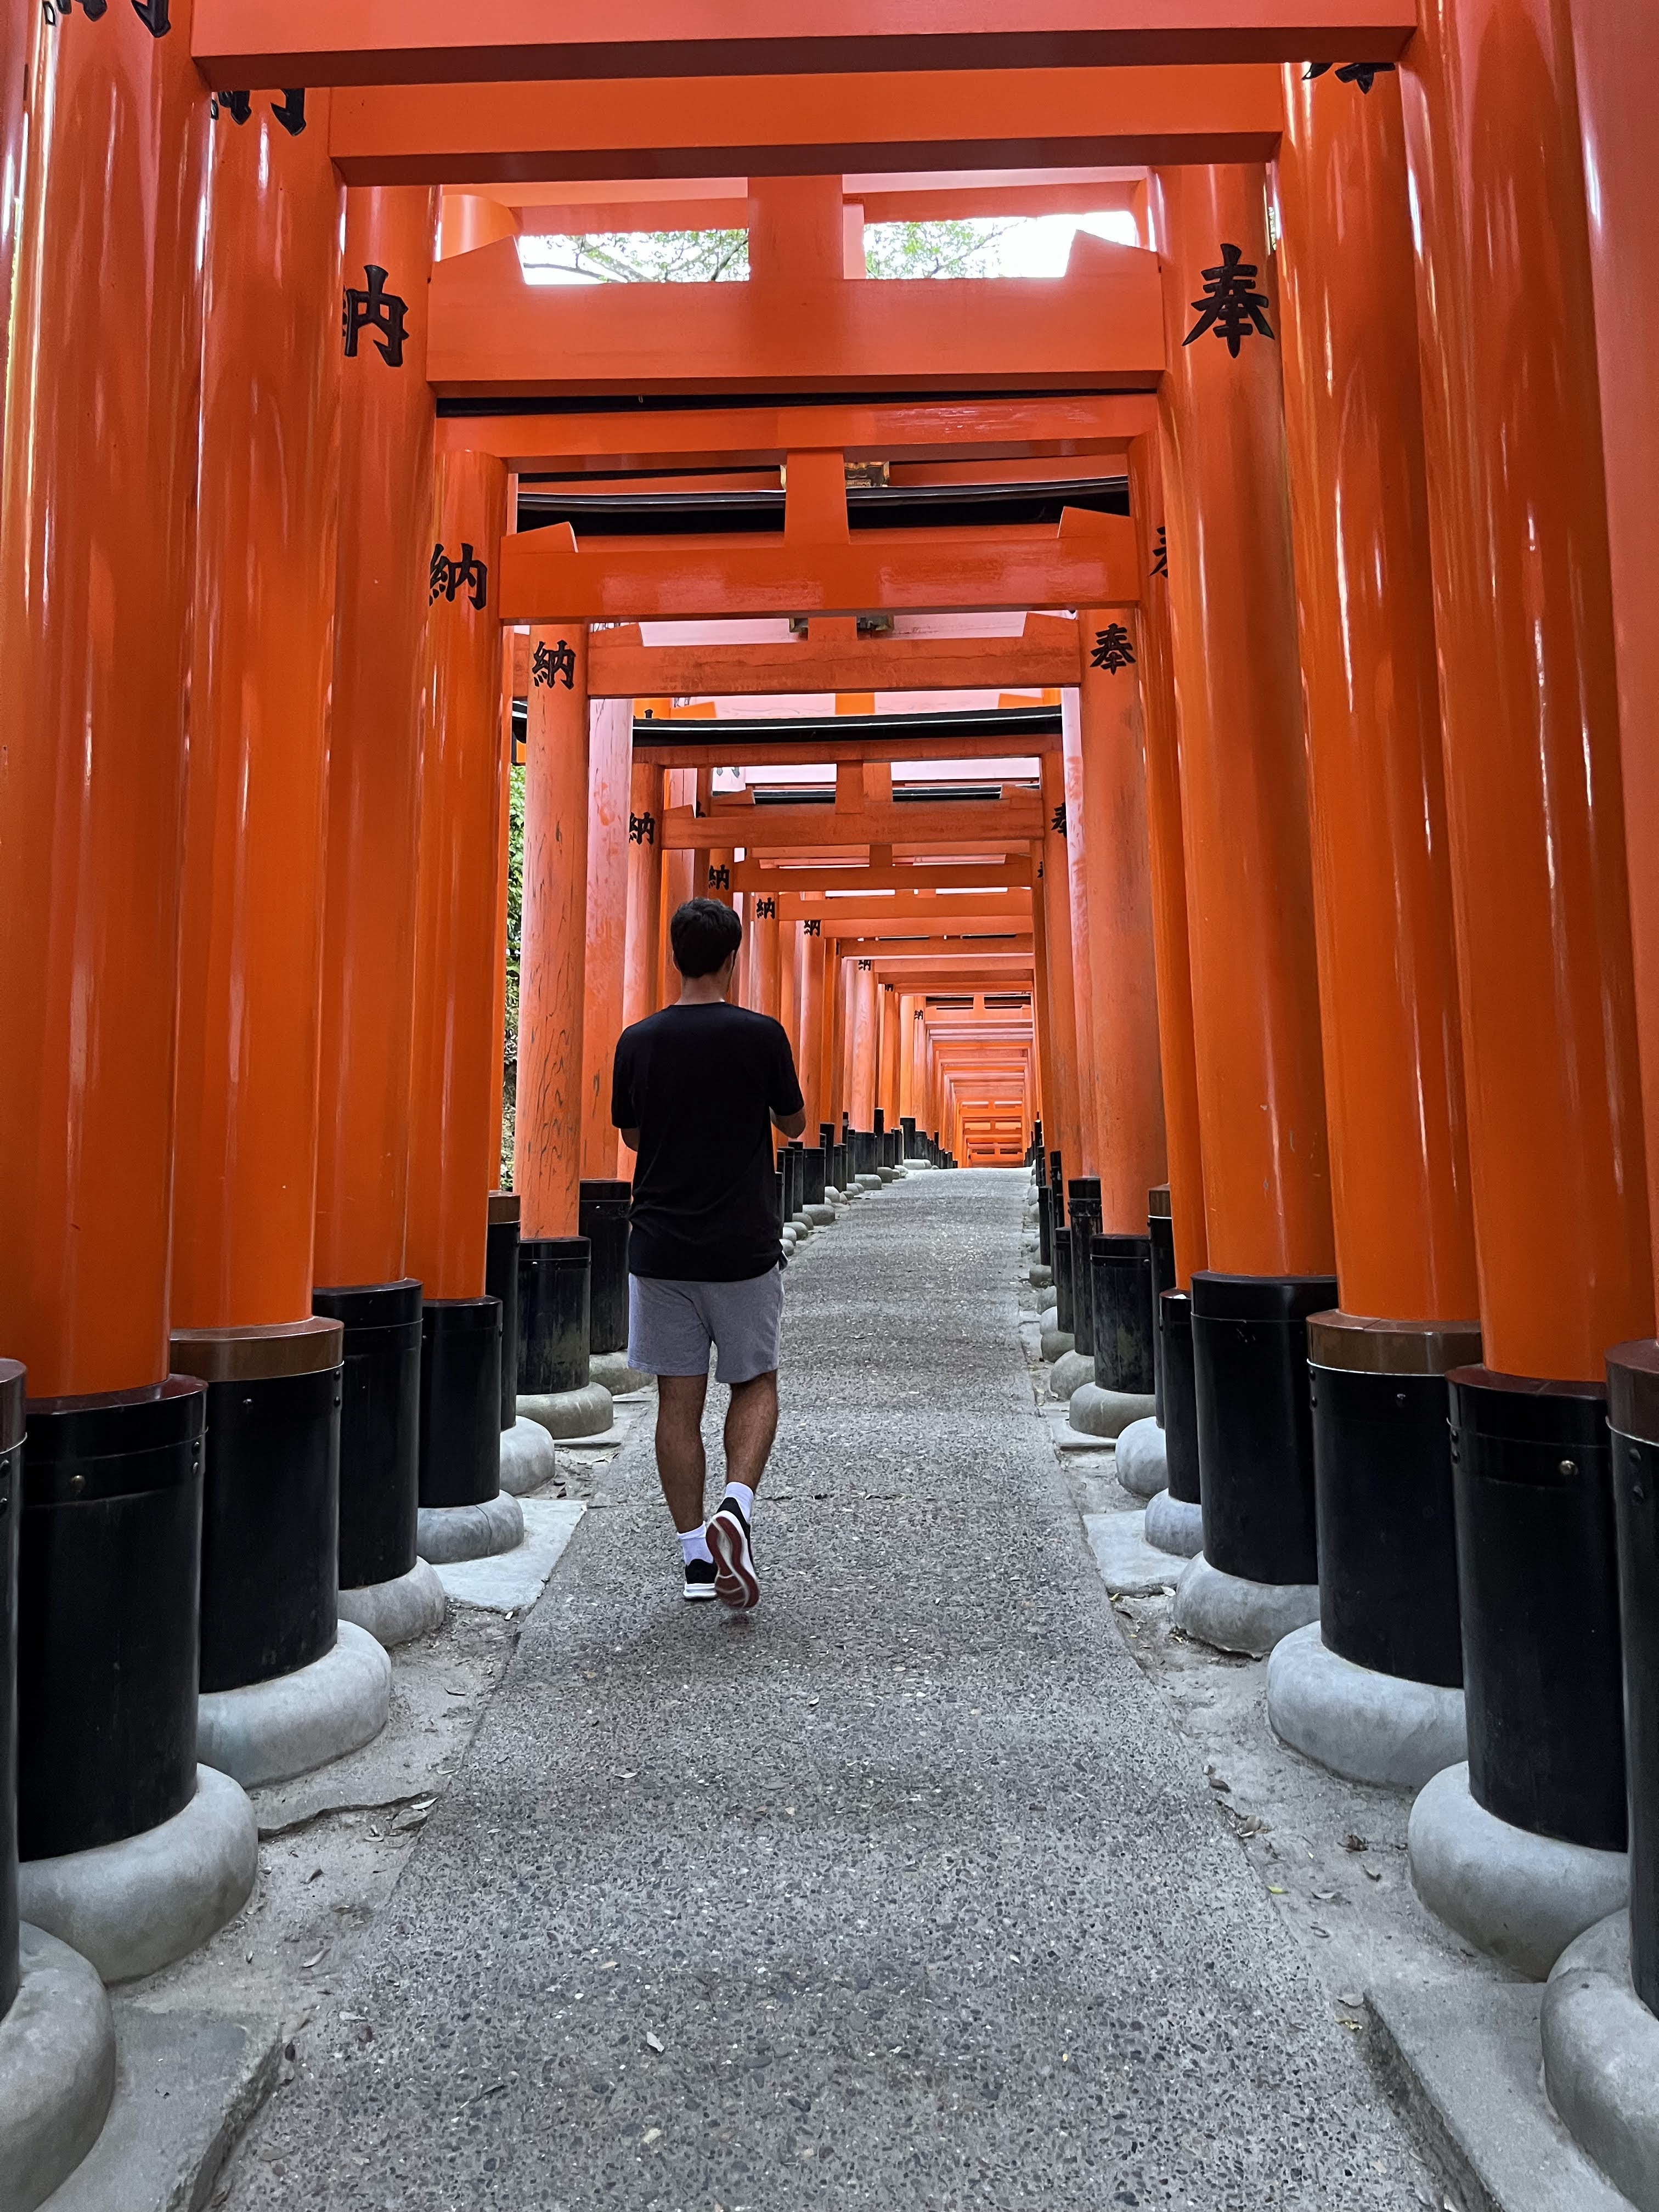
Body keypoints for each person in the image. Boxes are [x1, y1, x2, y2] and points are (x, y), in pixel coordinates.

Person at [612, 897, 806, 1609]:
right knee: (755, 1381)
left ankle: (696, 1559)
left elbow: (632, 1137)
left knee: (676, 1402)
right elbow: (794, 1123)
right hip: (742, 1247)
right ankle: (736, 1507)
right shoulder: (761, 1036)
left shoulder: (638, 1040)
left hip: (659, 1247)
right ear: (732, 959)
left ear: (675, 957)